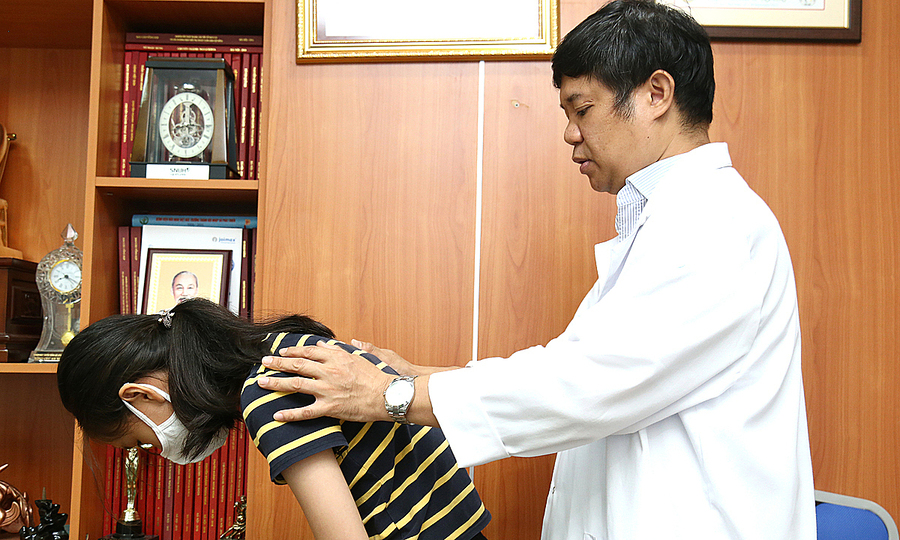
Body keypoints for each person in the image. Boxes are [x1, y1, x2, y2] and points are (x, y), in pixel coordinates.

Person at [255, 1, 816, 539]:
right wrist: (422, 377)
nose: (570, 133)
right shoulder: (671, 224)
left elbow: (587, 383)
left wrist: (392, 396)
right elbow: (586, 370)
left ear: (656, 94)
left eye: (582, 109)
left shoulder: (714, 224)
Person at [56, 298, 490, 540]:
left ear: (139, 395)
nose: (155, 449)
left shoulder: (267, 394)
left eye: (139, 442)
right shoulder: (284, 345)